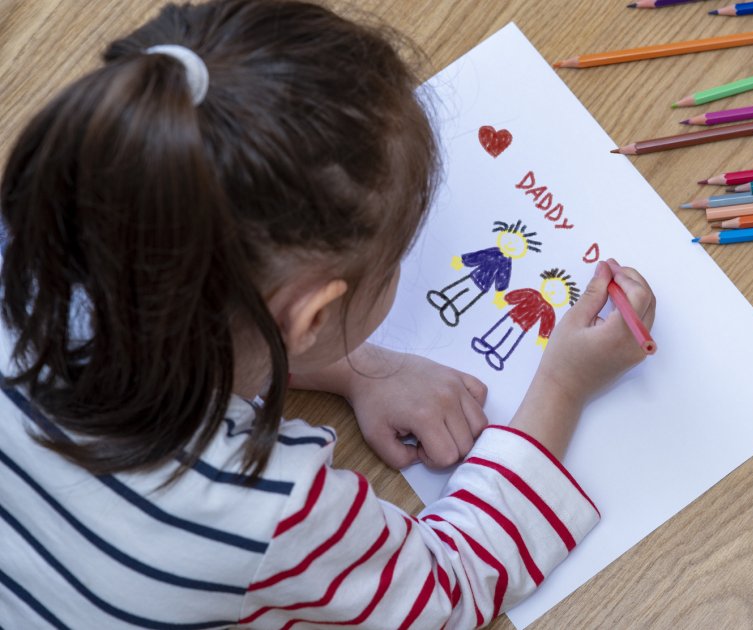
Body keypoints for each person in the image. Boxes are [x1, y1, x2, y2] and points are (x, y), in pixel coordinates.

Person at [0, 1, 656, 628]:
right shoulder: (262, 511)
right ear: (310, 318)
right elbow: (447, 588)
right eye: (398, 262)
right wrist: (563, 385)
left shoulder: (26, 241)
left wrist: (355, 368)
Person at [426, 220, 542, 327]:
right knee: (459, 287)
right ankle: (443, 297)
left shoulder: (506, 263)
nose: (510, 244)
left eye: (516, 245)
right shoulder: (493, 251)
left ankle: (455, 311)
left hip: (482, 286)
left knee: (467, 298)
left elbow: (502, 278)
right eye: (509, 239)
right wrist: (462, 261)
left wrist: (499, 294)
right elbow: (479, 256)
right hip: (473, 276)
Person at [471, 268, 581, 371]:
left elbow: (546, 324)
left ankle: (499, 355)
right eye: (552, 287)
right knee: (499, 329)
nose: (552, 293)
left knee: (511, 340)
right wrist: (506, 300)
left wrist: (542, 337)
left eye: (558, 294)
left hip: (523, 327)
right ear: (546, 282)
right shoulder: (532, 293)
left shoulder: (549, 310)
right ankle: (485, 343)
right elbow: (518, 295)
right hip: (511, 316)